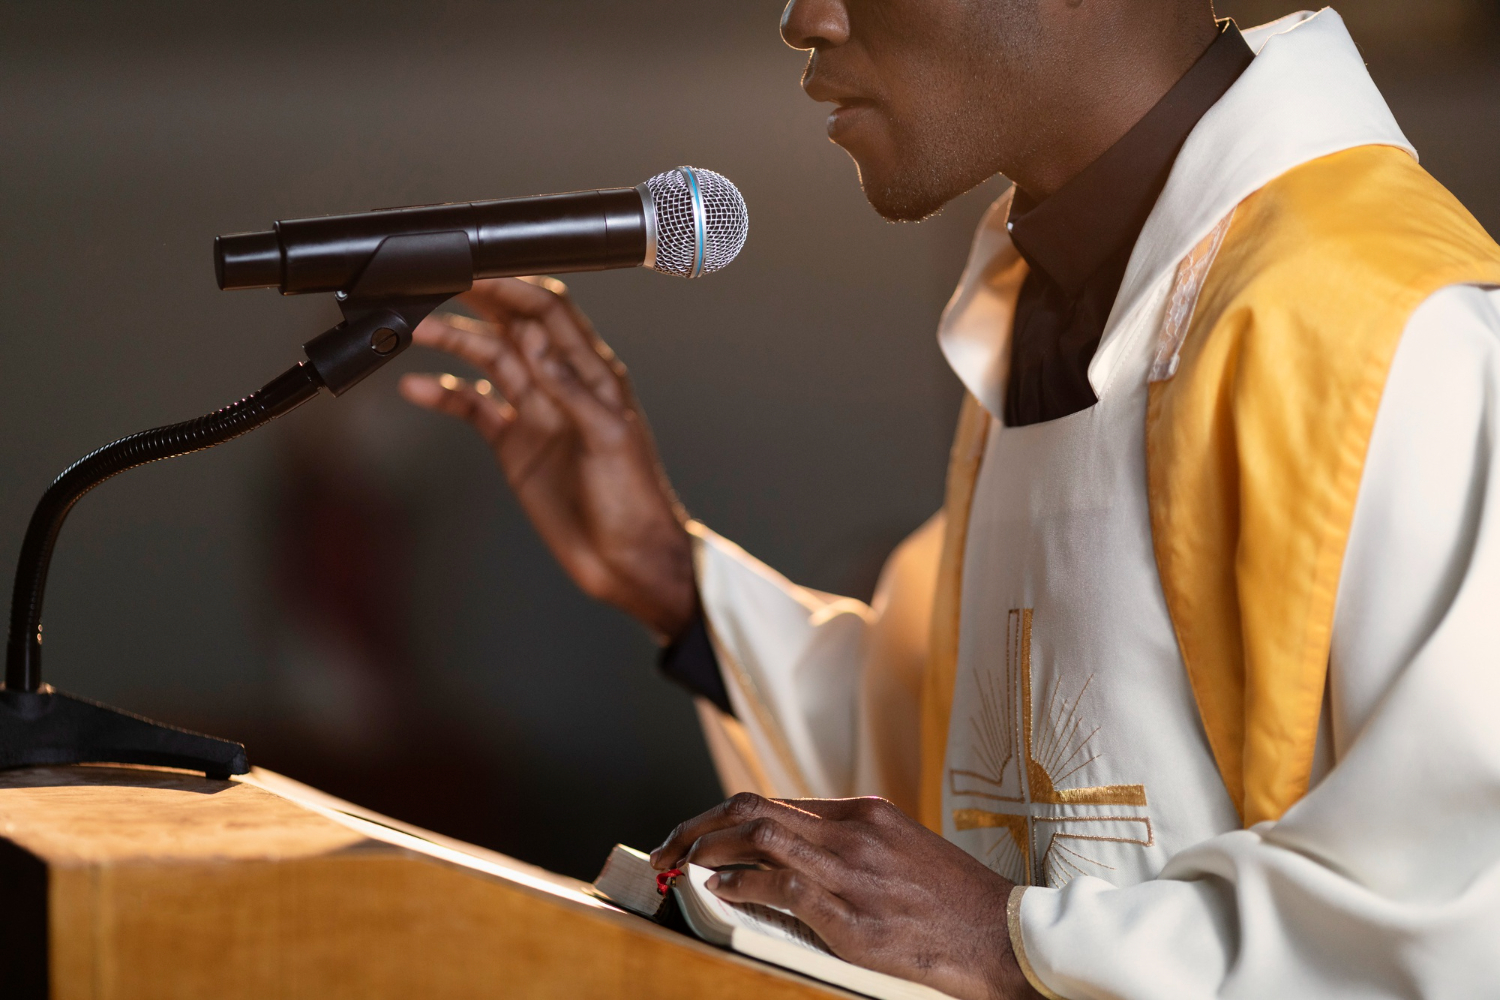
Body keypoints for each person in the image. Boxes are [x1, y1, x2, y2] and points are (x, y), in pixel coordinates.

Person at [400, 3, 1500, 997]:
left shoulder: (1399, 332)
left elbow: (1462, 917)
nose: (803, 19)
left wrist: (1009, 940)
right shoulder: (1043, 299)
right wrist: (672, 582)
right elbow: (968, 784)